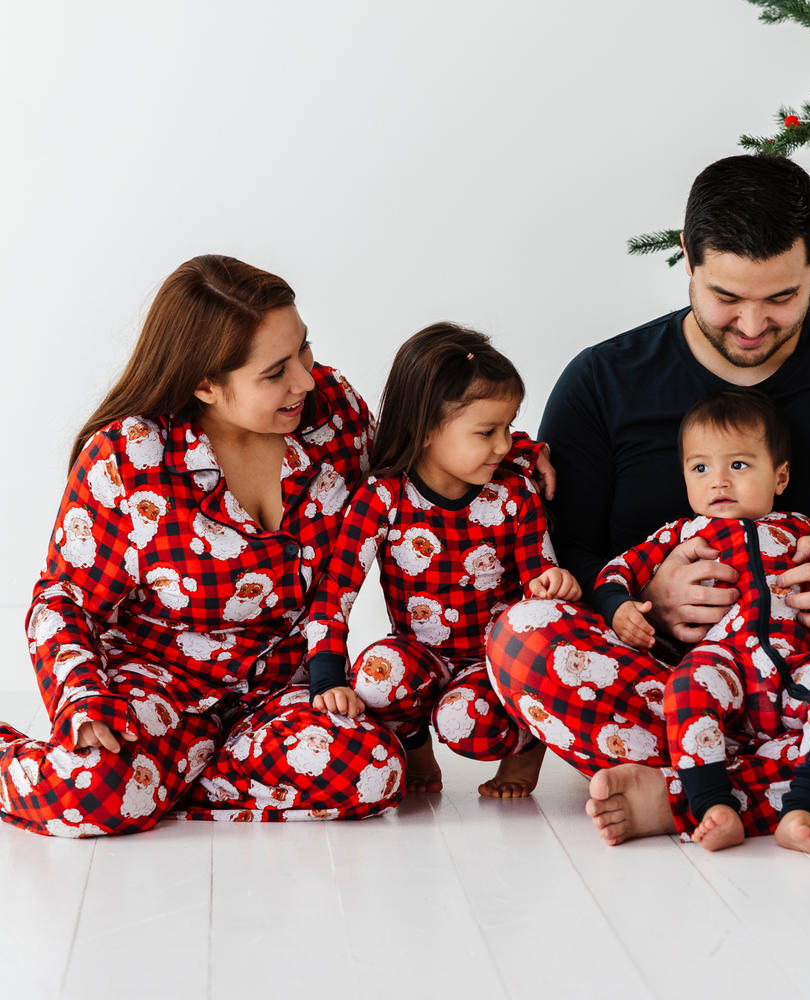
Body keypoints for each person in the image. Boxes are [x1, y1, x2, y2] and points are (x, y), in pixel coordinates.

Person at [485, 154, 810, 845]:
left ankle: (685, 798)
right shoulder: (603, 382)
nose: (753, 325)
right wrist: (646, 602)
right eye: (728, 297)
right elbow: (562, 557)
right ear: (687, 259)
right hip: (670, 676)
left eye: (781, 298)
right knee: (519, 635)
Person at [0, 256, 549, 837]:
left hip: (282, 692)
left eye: (305, 350)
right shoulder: (128, 457)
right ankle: (130, 779)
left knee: (374, 772)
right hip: (156, 687)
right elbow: (63, 600)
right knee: (92, 796)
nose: (306, 380)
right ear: (204, 383)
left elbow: (419, 463)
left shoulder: (332, 414)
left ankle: (156, 786)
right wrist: (80, 698)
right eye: (275, 371)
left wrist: (518, 455)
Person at [596, 388, 810, 853]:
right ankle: (713, 805)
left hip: (798, 661)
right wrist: (618, 607)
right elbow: (617, 572)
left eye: (739, 465)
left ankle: (804, 809)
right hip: (721, 663)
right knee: (684, 687)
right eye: (701, 467)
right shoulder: (680, 534)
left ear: (781, 476)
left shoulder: (800, 529)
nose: (718, 482)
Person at [303, 323, 580, 798]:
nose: (503, 445)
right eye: (486, 432)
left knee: (463, 721)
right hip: (419, 653)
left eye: (508, 428)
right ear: (427, 429)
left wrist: (556, 585)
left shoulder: (513, 492)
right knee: (374, 678)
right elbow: (336, 589)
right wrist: (326, 676)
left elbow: (539, 576)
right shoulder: (383, 497)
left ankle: (527, 750)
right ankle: (415, 749)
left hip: (492, 662)